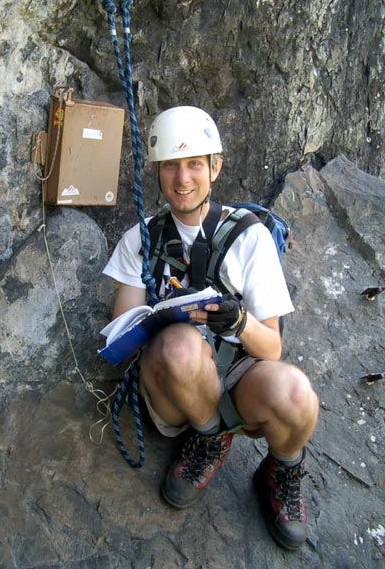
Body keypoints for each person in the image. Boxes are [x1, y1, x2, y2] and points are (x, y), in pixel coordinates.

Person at [103, 106, 319, 551]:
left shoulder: (248, 236)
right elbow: (121, 334)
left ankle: (283, 469)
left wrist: (238, 322)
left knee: (297, 395)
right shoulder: (139, 240)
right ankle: (208, 438)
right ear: (159, 172)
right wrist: (160, 321)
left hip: (238, 373)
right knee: (180, 346)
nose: (183, 179)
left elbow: (272, 347)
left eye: (195, 164)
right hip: (177, 383)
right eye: (171, 166)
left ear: (215, 168)